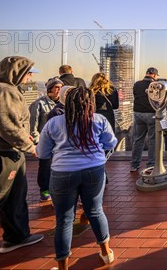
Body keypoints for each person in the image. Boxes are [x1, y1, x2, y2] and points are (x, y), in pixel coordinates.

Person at [37, 87, 117, 270]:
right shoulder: (98, 120)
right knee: (95, 211)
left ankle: (63, 265)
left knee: (64, 219)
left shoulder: (54, 123)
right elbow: (111, 143)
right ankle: (106, 253)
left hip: (62, 173)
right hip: (94, 170)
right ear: (91, 102)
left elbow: (42, 152)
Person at [0, 57, 44, 253]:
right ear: (17, 72)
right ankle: (16, 236)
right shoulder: (4, 91)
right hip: (4, 154)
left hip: (9, 152)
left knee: (14, 196)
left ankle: (17, 236)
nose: (30, 76)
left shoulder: (1, 88)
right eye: (28, 72)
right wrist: (29, 146)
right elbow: (7, 126)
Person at [30, 77, 63, 202]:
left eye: (61, 87)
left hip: (59, 141)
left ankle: (56, 189)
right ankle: (44, 189)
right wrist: (37, 142)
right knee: (45, 166)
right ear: (50, 89)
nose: (59, 90)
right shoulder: (39, 104)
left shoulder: (63, 104)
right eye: (56, 87)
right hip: (45, 141)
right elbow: (33, 125)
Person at [130, 67, 159, 172]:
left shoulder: (137, 84)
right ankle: (151, 164)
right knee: (152, 140)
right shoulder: (155, 85)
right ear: (154, 75)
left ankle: (134, 164)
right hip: (151, 113)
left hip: (138, 113)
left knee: (138, 139)